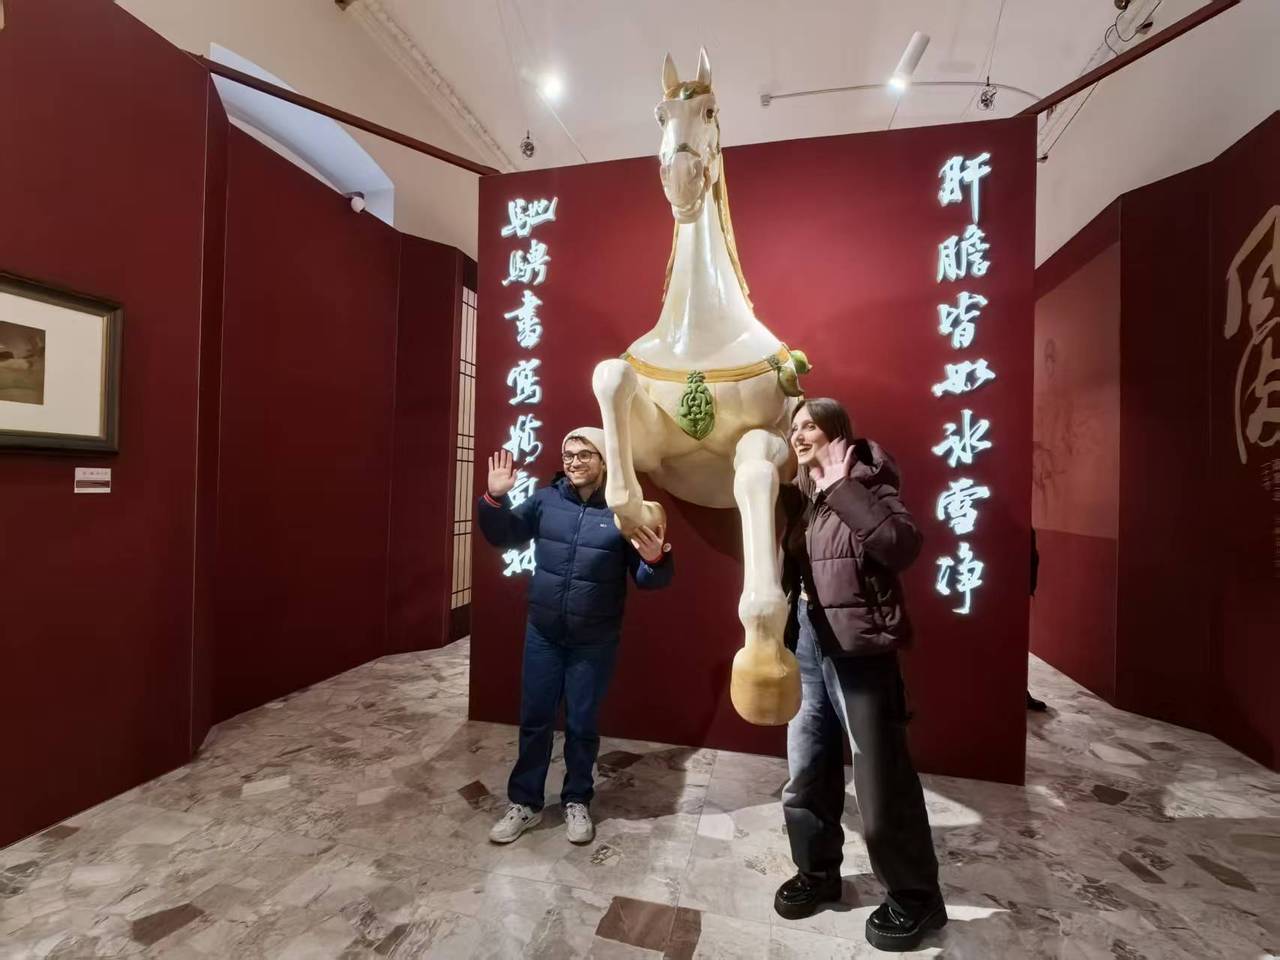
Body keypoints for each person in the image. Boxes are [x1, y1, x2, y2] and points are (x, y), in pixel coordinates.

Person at [774, 398, 947, 953]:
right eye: (794, 427)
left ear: (837, 432)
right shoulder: (801, 495)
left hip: (861, 648)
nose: (799, 434)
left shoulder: (869, 481)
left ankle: (916, 898)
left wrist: (843, 489)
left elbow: (901, 546)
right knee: (806, 767)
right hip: (807, 641)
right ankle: (817, 872)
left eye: (810, 425)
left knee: (881, 777)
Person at [477, 428, 673, 846]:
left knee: (582, 723)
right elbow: (504, 535)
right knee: (535, 720)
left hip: (594, 639)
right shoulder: (546, 501)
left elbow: (648, 579)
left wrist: (656, 560)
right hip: (543, 633)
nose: (574, 461)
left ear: (603, 461)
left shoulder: (624, 512)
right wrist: (495, 499)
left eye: (585, 454)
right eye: (569, 454)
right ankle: (525, 802)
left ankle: (577, 799)